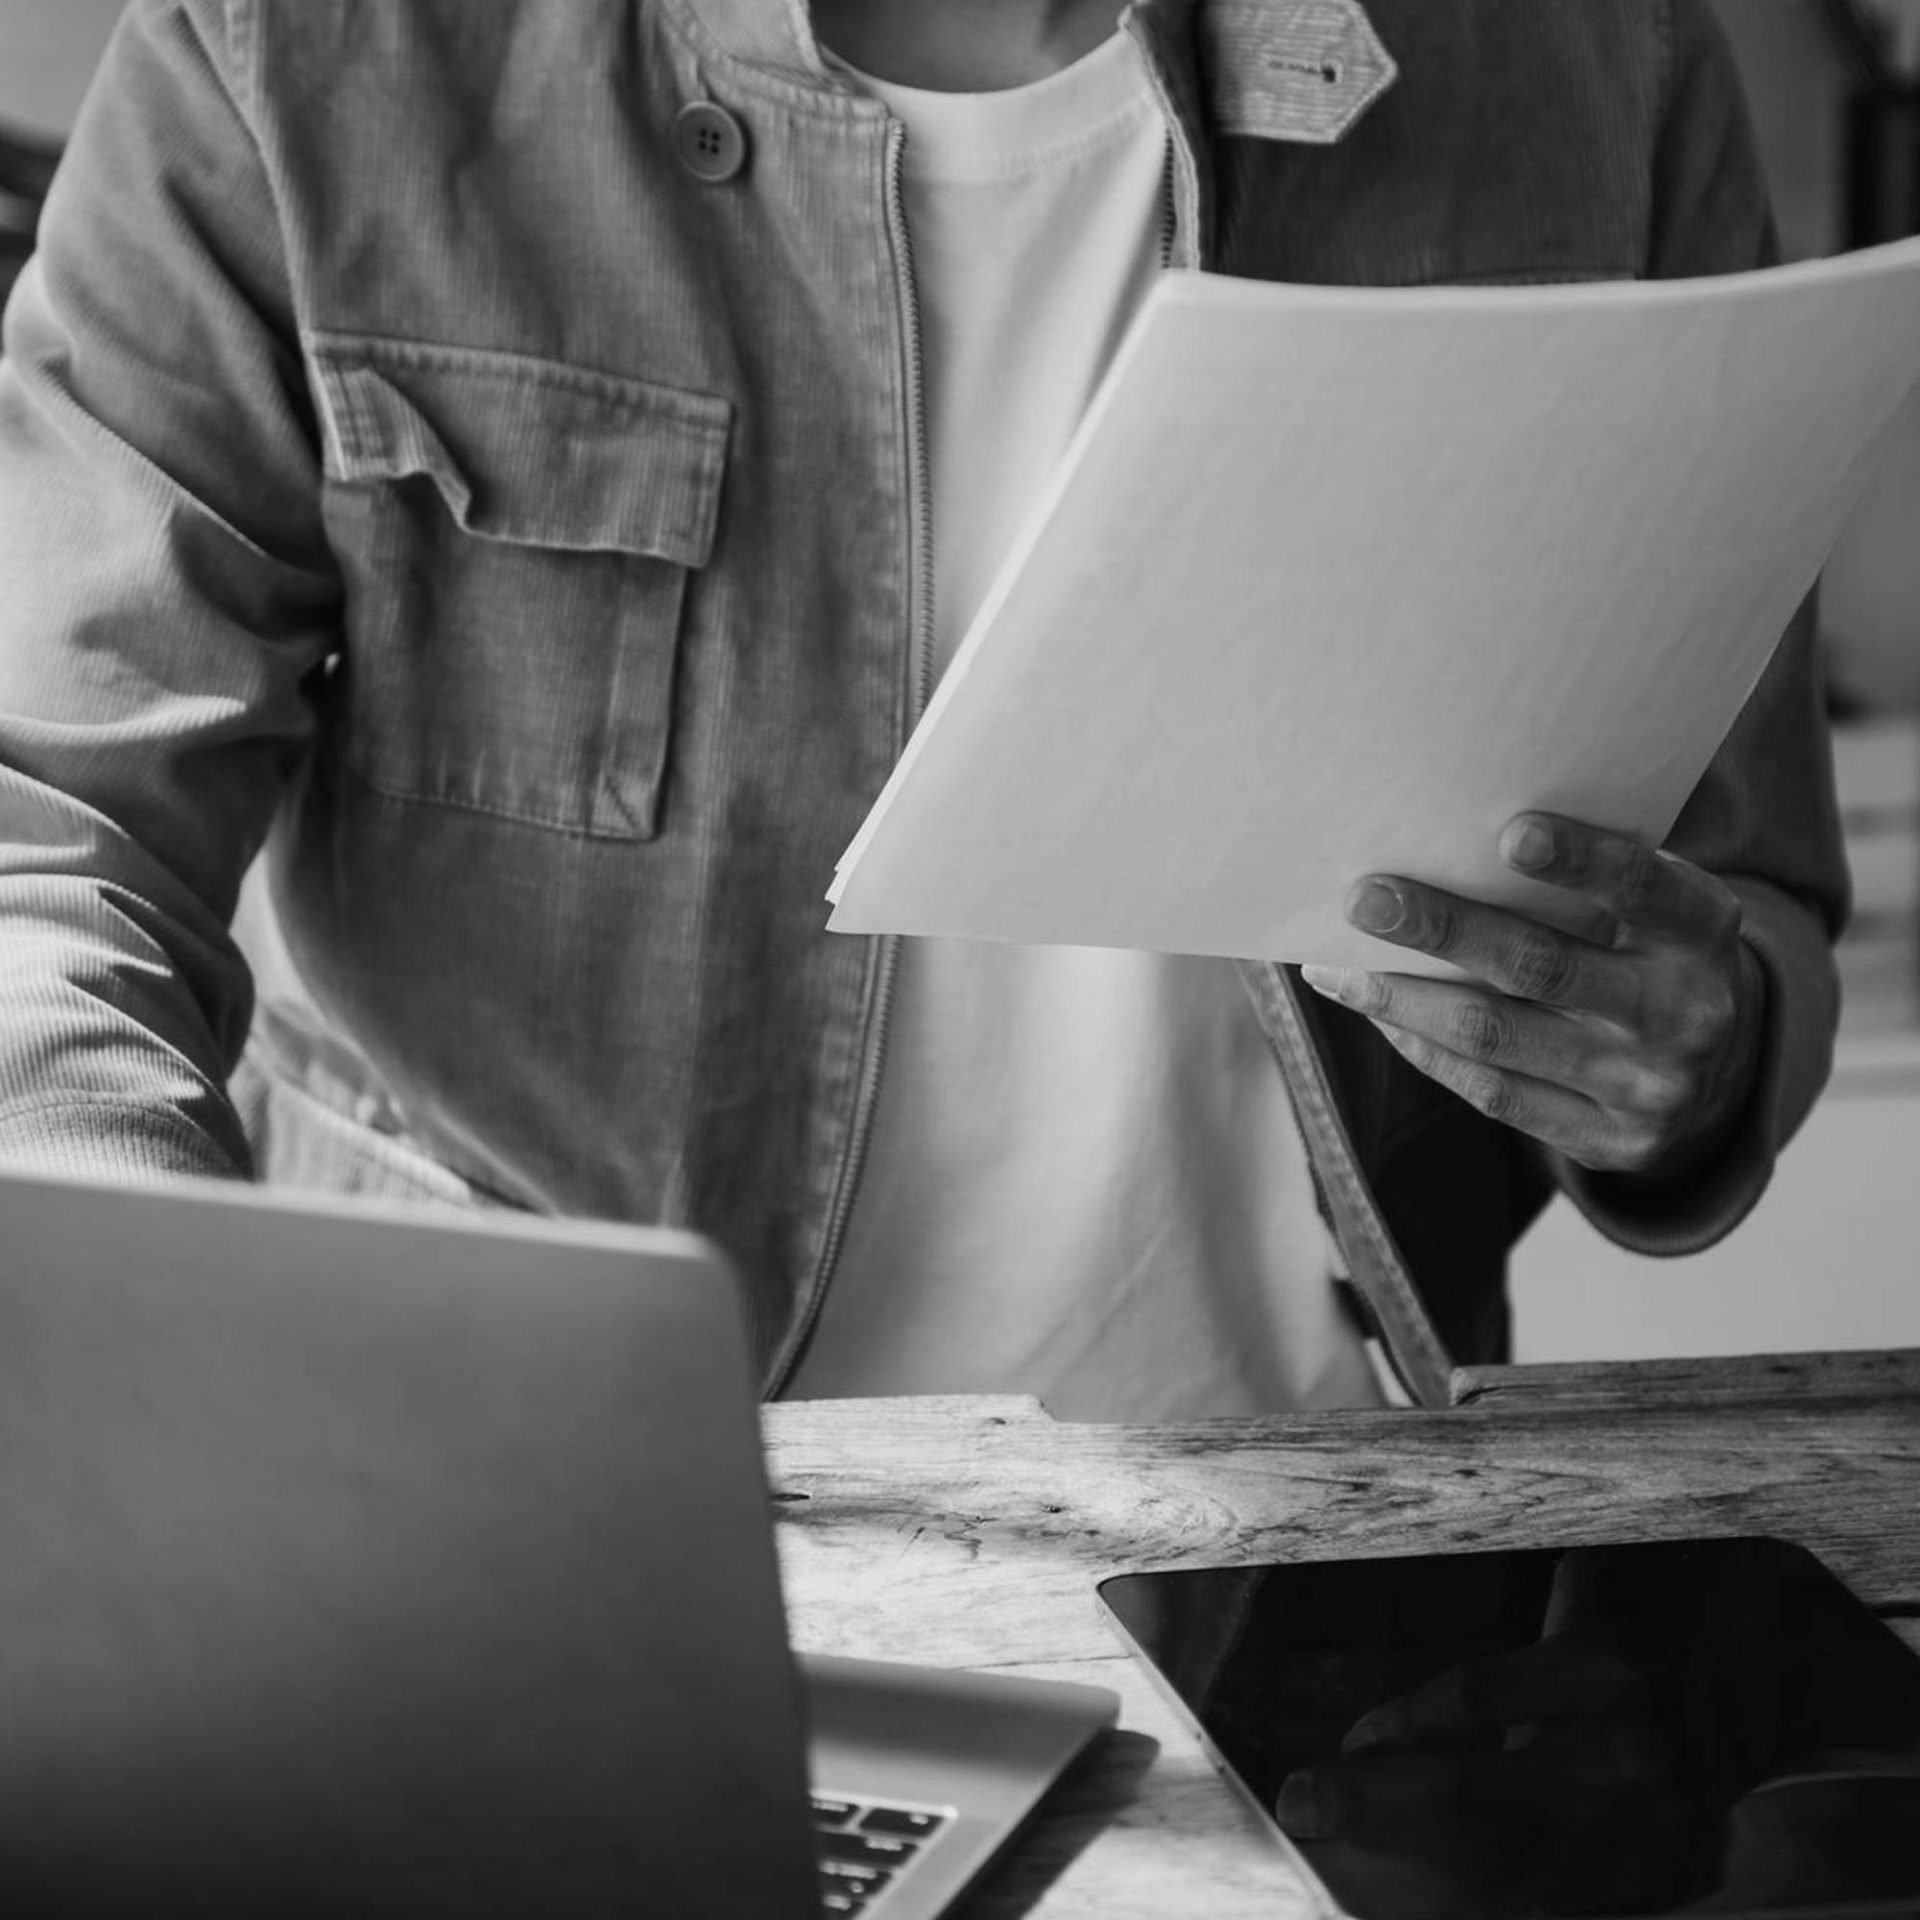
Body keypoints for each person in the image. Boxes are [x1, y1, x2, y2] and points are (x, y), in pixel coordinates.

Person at [0, 0, 1847, 1414]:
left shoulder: (1595, 61)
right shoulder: (300, 49)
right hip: (512, 1509)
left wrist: (1683, 1056)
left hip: (1331, 1565)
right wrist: (145, 1401)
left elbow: (1743, 900)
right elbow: (49, 841)